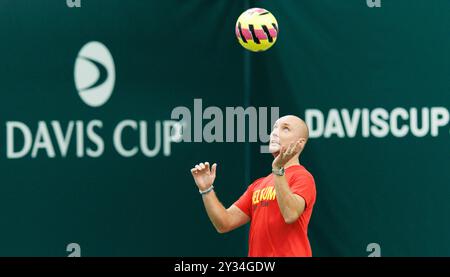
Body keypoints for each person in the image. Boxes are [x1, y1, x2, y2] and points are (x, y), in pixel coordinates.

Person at [190, 115, 316, 257]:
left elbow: (290, 214)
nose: (274, 132)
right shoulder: (258, 185)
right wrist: (206, 189)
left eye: (285, 129)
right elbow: (224, 223)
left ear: (300, 143)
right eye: (274, 127)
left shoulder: (303, 177)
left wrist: (278, 169)